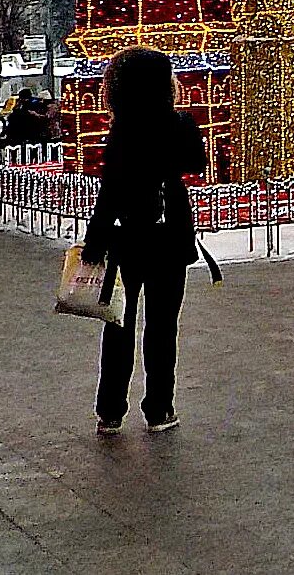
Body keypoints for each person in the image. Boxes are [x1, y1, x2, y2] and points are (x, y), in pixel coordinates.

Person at [81, 46, 208, 434]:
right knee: (162, 327)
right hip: (169, 240)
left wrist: (93, 245)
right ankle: (158, 409)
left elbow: (110, 192)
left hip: (126, 241)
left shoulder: (121, 131)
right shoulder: (179, 125)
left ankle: (110, 411)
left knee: (118, 325)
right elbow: (197, 165)